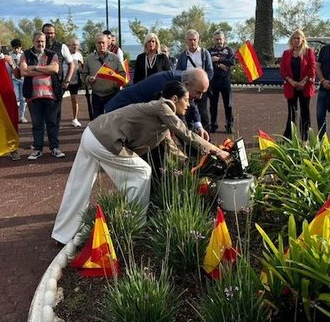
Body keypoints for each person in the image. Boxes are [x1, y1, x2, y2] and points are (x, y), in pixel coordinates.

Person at [51, 81, 229, 245]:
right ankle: (135, 227)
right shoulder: (163, 106)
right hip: (104, 139)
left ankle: (63, 234)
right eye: (187, 100)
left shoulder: (160, 117)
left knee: (79, 184)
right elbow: (185, 133)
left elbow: (172, 148)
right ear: (175, 99)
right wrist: (215, 149)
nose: (189, 105)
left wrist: (191, 165)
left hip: (92, 134)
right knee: (142, 172)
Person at [105, 68, 210, 140]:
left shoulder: (188, 79)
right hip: (117, 111)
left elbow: (191, 103)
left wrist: (198, 126)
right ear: (187, 85)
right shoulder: (167, 85)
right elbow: (176, 123)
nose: (200, 97)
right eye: (198, 92)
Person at [19, 32, 65, 160]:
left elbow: (54, 69)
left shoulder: (52, 54)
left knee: (52, 123)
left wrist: (33, 68)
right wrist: (45, 68)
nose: (41, 44)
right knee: (37, 124)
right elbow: (23, 71)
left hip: (51, 95)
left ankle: (55, 148)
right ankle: (38, 149)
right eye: (38, 41)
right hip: (33, 96)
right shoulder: (26, 54)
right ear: (33, 42)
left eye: (43, 41)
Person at [0, 36, 21, 161]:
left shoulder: (7, 59)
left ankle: (13, 149)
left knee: (11, 123)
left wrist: (12, 64)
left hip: (7, 96)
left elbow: (18, 76)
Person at [280, 29, 316, 140]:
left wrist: (303, 81)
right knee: (292, 112)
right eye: (294, 38)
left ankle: (305, 138)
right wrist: (291, 81)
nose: (296, 40)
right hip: (291, 87)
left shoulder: (308, 52)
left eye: (298, 38)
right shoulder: (286, 53)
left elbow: (312, 68)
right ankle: (289, 137)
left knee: (305, 111)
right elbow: (282, 70)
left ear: (302, 39)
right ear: (291, 40)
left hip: (305, 87)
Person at [175, 29, 213, 127]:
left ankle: (206, 138)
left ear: (198, 40)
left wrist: (203, 83)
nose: (192, 42)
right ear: (186, 41)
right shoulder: (183, 56)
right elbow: (178, 71)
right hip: (187, 88)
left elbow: (210, 71)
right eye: (190, 40)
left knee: (202, 112)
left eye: (194, 40)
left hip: (200, 88)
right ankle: (189, 138)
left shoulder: (205, 53)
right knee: (186, 112)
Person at [83, 33, 125, 119]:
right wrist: (88, 79)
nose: (101, 45)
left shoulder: (115, 58)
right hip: (96, 95)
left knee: (112, 119)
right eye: (99, 43)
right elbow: (83, 75)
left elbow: (122, 73)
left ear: (107, 43)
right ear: (95, 44)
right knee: (97, 121)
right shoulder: (89, 59)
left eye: (103, 43)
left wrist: (117, 82)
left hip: (112, 94)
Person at [207, 30, 235, 134]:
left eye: (220, 39)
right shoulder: (209, 51)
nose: (219, 41)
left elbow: (232, 62)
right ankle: (213, 124)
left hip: (225, 80)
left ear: (224, 39)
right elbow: (207, 63)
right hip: (213, 80)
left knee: (228, 104)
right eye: (217, 39)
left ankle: (229, 125)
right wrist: (220, 65)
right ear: (214, 40)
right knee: (213, 104)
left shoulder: (229, 50)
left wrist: (217, 59)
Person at [67, 38, 84, 127]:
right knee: (58, 101)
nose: (75, 47)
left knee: (74, 100)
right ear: (69, 45)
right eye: (73, 44)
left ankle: (75, 119)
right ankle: (55, 119)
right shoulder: (65, 54)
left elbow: (82, 67)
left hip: (75, 81)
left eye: (77, 45)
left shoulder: (79, 55)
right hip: (64, 81)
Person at [9, 38, 27, 123]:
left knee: (23, 98)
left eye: (17, 47)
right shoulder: (9, 55)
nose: (16, 50)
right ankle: (14, 115)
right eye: (14, 48)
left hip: (23, 79)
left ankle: (22, 116)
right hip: (14, 79)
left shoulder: (24, 54)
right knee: (15, 98)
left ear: (20, 47)